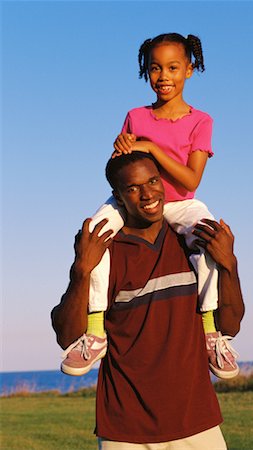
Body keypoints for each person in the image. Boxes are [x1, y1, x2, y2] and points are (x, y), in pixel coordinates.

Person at [61, 32, 239, 379]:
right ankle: (95, 331)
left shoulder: (201, 121)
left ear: (189, 69)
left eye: (173, 67)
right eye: (155, 68)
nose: (163, 76)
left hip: (179, 203)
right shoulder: (135, 115)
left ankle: (210, 333)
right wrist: (122, 147)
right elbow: (121, 169)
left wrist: (152, 148)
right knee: (94, 238)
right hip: (134, 202)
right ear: (146, 71)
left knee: (211, 241)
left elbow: (191, 180)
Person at [52, 152, 245, 450]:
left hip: (197, 420)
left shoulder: (191, 241)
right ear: (117, 197)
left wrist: (229, 264)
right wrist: (81, 270)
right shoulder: (105, 250)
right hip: (125, 429)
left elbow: (231, 323)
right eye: (133, 188)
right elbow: (66, 335)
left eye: (153, 181)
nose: (148, 194)